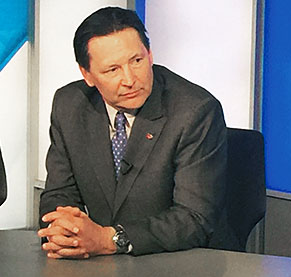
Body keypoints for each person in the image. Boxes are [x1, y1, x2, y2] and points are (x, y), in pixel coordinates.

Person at [38, 6, 229, 258]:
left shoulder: (194, 111)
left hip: (179, 268)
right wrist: (65, 230)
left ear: (150, 55)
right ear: (87, 74)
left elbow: (192, 219)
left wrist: (109, 239)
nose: (129, 79)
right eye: (112, 70)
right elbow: (59, 192)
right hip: (98, 270)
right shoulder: (69, 104)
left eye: (136, 61)